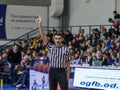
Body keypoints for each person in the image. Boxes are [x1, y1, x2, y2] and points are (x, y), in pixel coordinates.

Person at [37, 16, 70, 90]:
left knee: (65, 88)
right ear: (54, 39)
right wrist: (40, 24)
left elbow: (68, 64)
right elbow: (42, 36)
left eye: (59, 38)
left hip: (62, 71)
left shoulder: (66, 49)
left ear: (62, 39)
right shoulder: (50, 47)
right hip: (52, 70)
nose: (57, 40)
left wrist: (67, 76)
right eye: (56, 38)